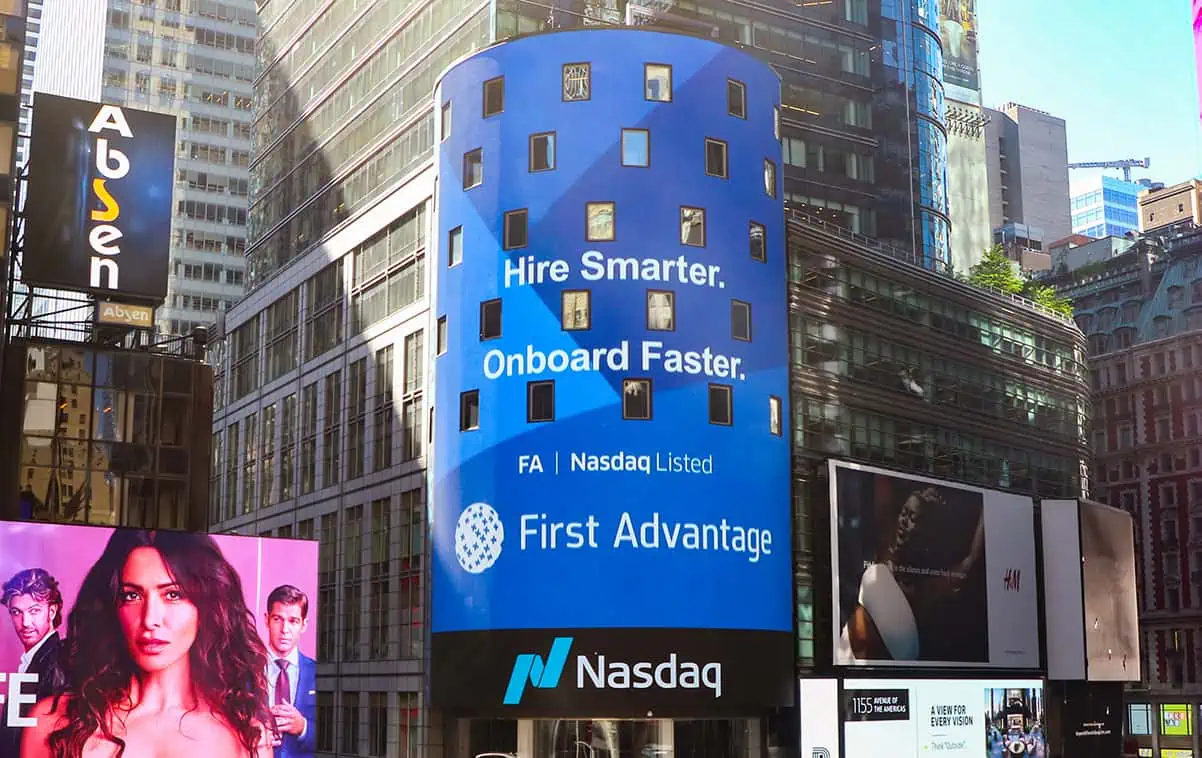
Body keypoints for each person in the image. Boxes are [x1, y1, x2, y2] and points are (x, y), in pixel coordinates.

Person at [20, 529, 277, 758]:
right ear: (112, 605)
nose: (150, 619)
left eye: (173, 594)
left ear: (207, 606)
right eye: (132, 595)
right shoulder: (53, 724)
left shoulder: (247, 734)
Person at [837, 485, 986, 662]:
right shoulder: (885, 543)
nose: (904, 521)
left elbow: (970, 561)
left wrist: (990, 503)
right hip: (844, 653)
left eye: (913, 518)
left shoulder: (926, 588)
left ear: (925, 529)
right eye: (904, 513)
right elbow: (882, 498)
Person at [1, 569, 68, 758]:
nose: (25, 622)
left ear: (52, 611)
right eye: (16, 612)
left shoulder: (58, 661)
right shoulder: (33, 660)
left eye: (34, 611)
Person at [263, 585, 316, 758]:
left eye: (293, 621)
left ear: (304, 624)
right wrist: (251, 733)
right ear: (266, 620)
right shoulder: (243, 670)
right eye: (278, 619)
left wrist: (303, 727)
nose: (284, 629)